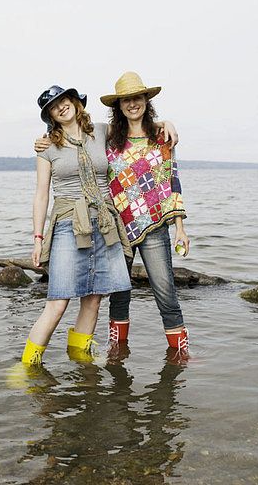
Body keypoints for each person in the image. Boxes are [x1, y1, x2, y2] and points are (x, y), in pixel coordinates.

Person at [20, 85, 133, 367]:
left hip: (104, 221)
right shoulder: (47, 147)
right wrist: (37, 239)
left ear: (74, 102)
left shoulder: (101, 131)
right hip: (69, 222)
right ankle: (27, 367)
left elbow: (140, 129)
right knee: (58, 302)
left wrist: (166, 124)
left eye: (63, 100)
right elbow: (42, 194)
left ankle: (82, 363)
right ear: (51, 116)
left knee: (94, 299)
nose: (61, 106)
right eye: (53, 106)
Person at [101, 71, 190, 357]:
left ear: (145, 100)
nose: (132, 104)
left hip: (155, 227)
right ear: (119, 106)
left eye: (136, 97)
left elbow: (172, 181)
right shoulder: (109, 139)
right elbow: (74, 134)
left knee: (166, 293)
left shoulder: (161, 137)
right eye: (126, 100)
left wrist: (180, 228)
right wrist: (45, 139)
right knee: (119, 294)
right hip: (119, 228)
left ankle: (180, 355)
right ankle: (117, 351)